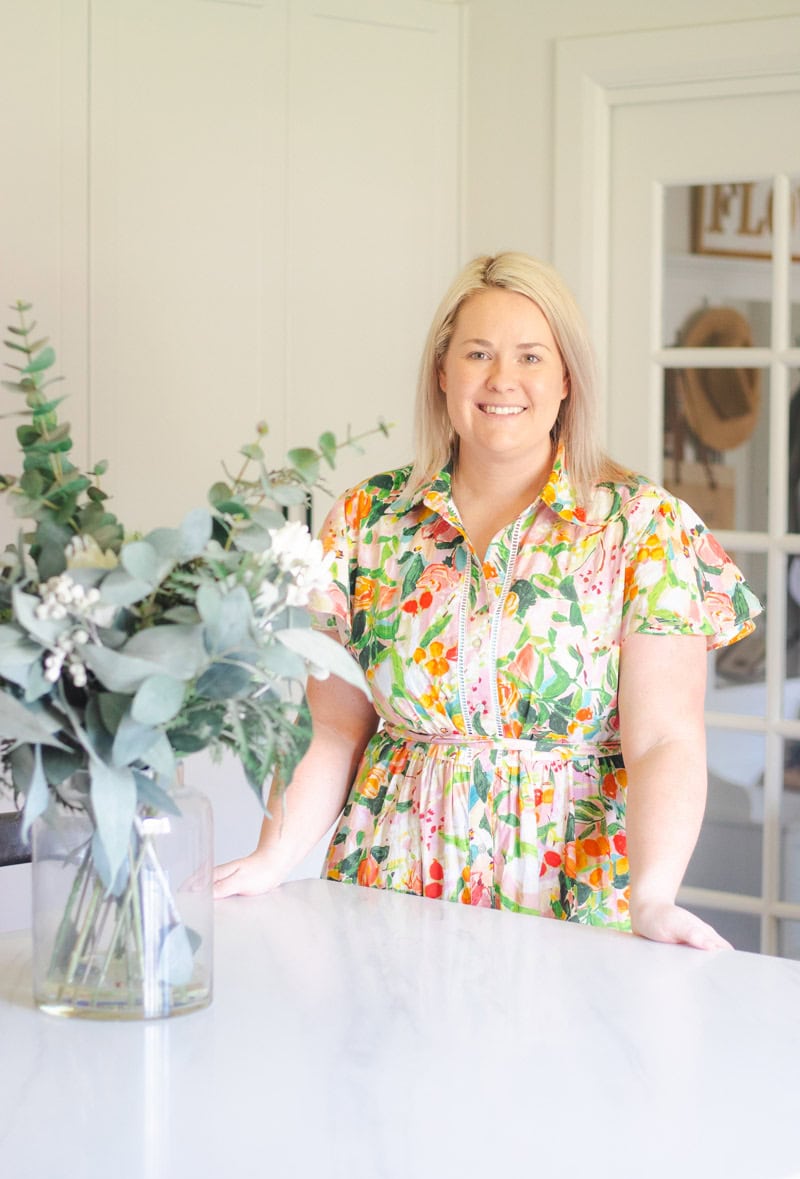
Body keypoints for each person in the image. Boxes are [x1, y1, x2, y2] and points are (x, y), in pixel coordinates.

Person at [213, 252, 762, 949]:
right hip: (391, 885)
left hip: (570, 896)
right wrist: (271, 858)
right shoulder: (366, 521)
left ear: (567, 378)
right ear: (443, 373)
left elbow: (663, 740)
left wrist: (653, 899)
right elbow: (332, 728)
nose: (503, 380)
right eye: (479, 354)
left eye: (532, 356)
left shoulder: (643, 528)